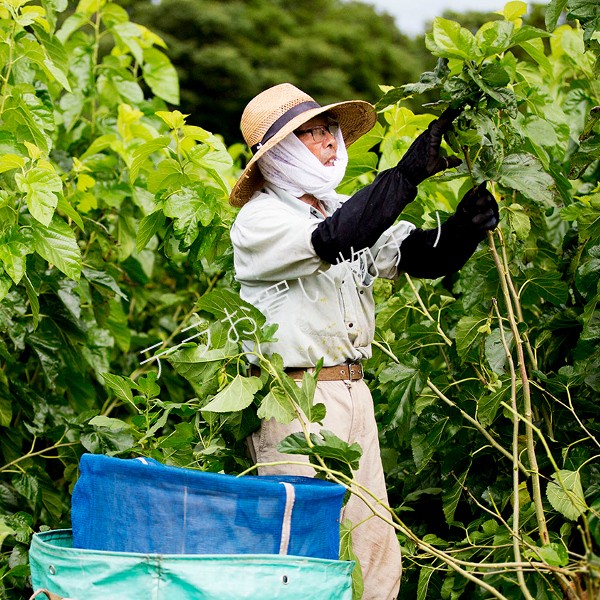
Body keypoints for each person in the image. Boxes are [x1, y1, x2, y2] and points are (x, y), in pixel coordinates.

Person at [229, 83, 499, 600]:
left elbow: (421, 257)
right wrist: (405, 174)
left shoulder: (336, 206)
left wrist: (465, 227)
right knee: (301, 545)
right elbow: (335, 240)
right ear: (279, 151)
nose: (329, 141)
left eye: (329, 129)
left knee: (373, 539)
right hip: (294, 398)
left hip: (353, 393)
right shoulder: (261, 219)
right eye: (310, 134)